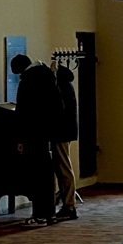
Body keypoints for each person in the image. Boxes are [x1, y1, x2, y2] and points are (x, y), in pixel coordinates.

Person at [9, 53, 62, 224]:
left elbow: (23, 111)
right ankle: (49, 212)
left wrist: (19, 138)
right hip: (47, 132)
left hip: (32, 133)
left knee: (36, 175)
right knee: (46, 173)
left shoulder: (28, 81)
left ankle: (39, 214)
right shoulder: (48, 75)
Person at [51, 57, 79, 220]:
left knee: (64, 168)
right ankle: (68, 203)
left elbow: (58, 111)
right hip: (65, 131)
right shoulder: (67, 84)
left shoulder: (60, 86)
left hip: (61, 132)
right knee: (63, 166)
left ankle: (69, 205)